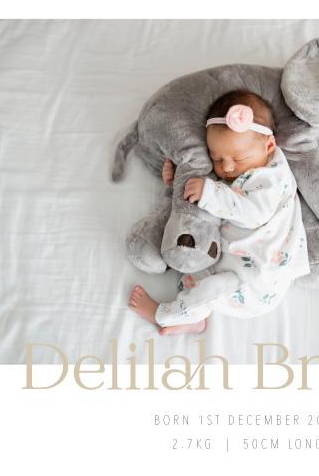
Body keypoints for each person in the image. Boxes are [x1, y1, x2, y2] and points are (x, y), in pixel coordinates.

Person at [128, 89, 309, 336]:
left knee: (210, 291)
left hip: (256, 281)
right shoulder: (247, 168)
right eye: (216, 158)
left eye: (238, 158)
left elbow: (254, 212)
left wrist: (210, 194)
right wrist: (178, 178)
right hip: (232, 262)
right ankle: (195, 321)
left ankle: (164, 315)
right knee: (193, 272)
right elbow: (214, 189)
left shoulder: (272, 178)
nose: (228, 167)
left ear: (269, 145)